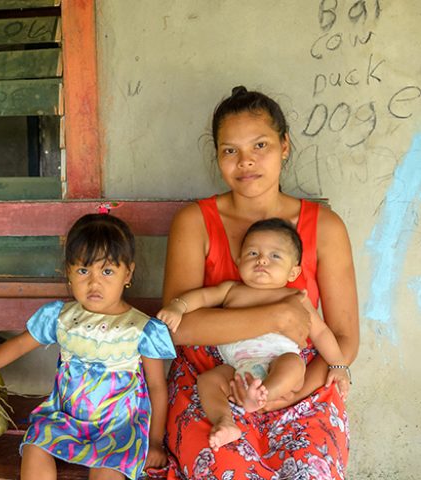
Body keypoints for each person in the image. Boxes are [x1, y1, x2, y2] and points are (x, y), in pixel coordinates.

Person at [160, 86, 359, 479]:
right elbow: (176, 330)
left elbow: (344, 340)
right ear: (217, 156)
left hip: (298, 377)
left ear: (285, 146)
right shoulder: (195, 222)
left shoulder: (325, 228)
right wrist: (277, 317)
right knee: (224, 468)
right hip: (212, 384)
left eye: (261, 145)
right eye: (230, 150)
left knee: (309, 470)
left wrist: (293, 392)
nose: (245, 161)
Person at [0, 213, 176, 480]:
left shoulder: (140, 328)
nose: (94, 282)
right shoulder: (62, 317)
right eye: (83, 270)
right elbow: (21, 344)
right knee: (35, 446)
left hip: (117, 427)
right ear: (68, 272)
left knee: (109, 470)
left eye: (107, 271)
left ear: (127, 273)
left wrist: (155, 442)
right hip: (65, 419)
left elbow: (156, 387)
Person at [157, 218, 351, 452]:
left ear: (293, 272)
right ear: (239, 262)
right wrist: (178, 306)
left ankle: (265, 394)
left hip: (277, 359)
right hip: (237, 367)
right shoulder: (231, 290)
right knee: (208, 381)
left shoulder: (296, 298)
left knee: (293, 365)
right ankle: (224, 421)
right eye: (252, 253)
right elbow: (202, 297)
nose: (261, 260)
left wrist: (338, 365)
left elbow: (320, 332)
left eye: (275, 256)